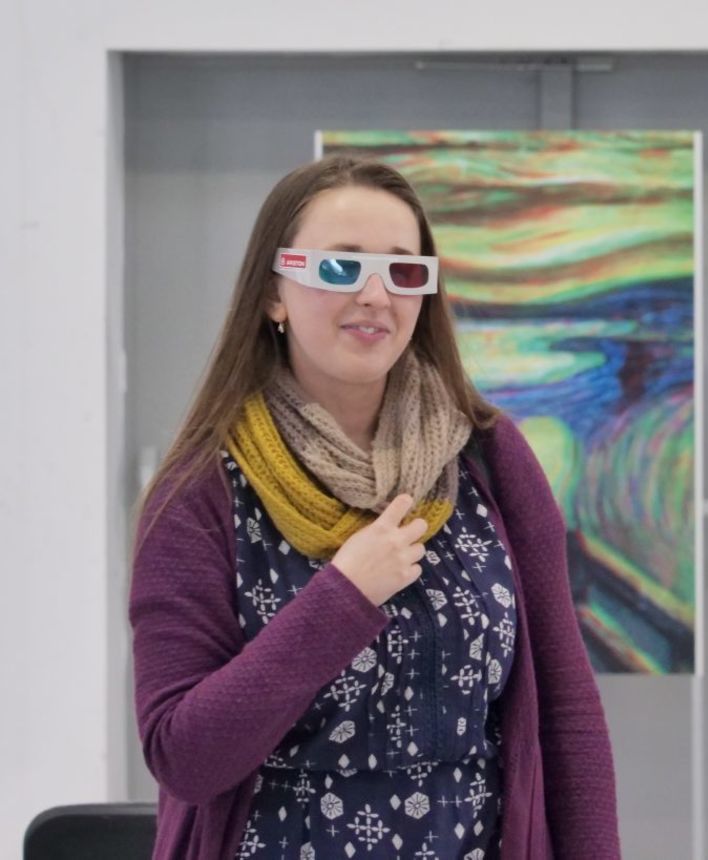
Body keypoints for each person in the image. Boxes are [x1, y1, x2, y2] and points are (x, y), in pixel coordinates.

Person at [130, 155, 620, 860]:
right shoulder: (199, 492)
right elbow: (183, 755)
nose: (375, 295)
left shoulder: (487, 457)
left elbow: (566, 711)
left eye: (403, 271)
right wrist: (344, 598)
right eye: (340, 267)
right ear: (273, 294)